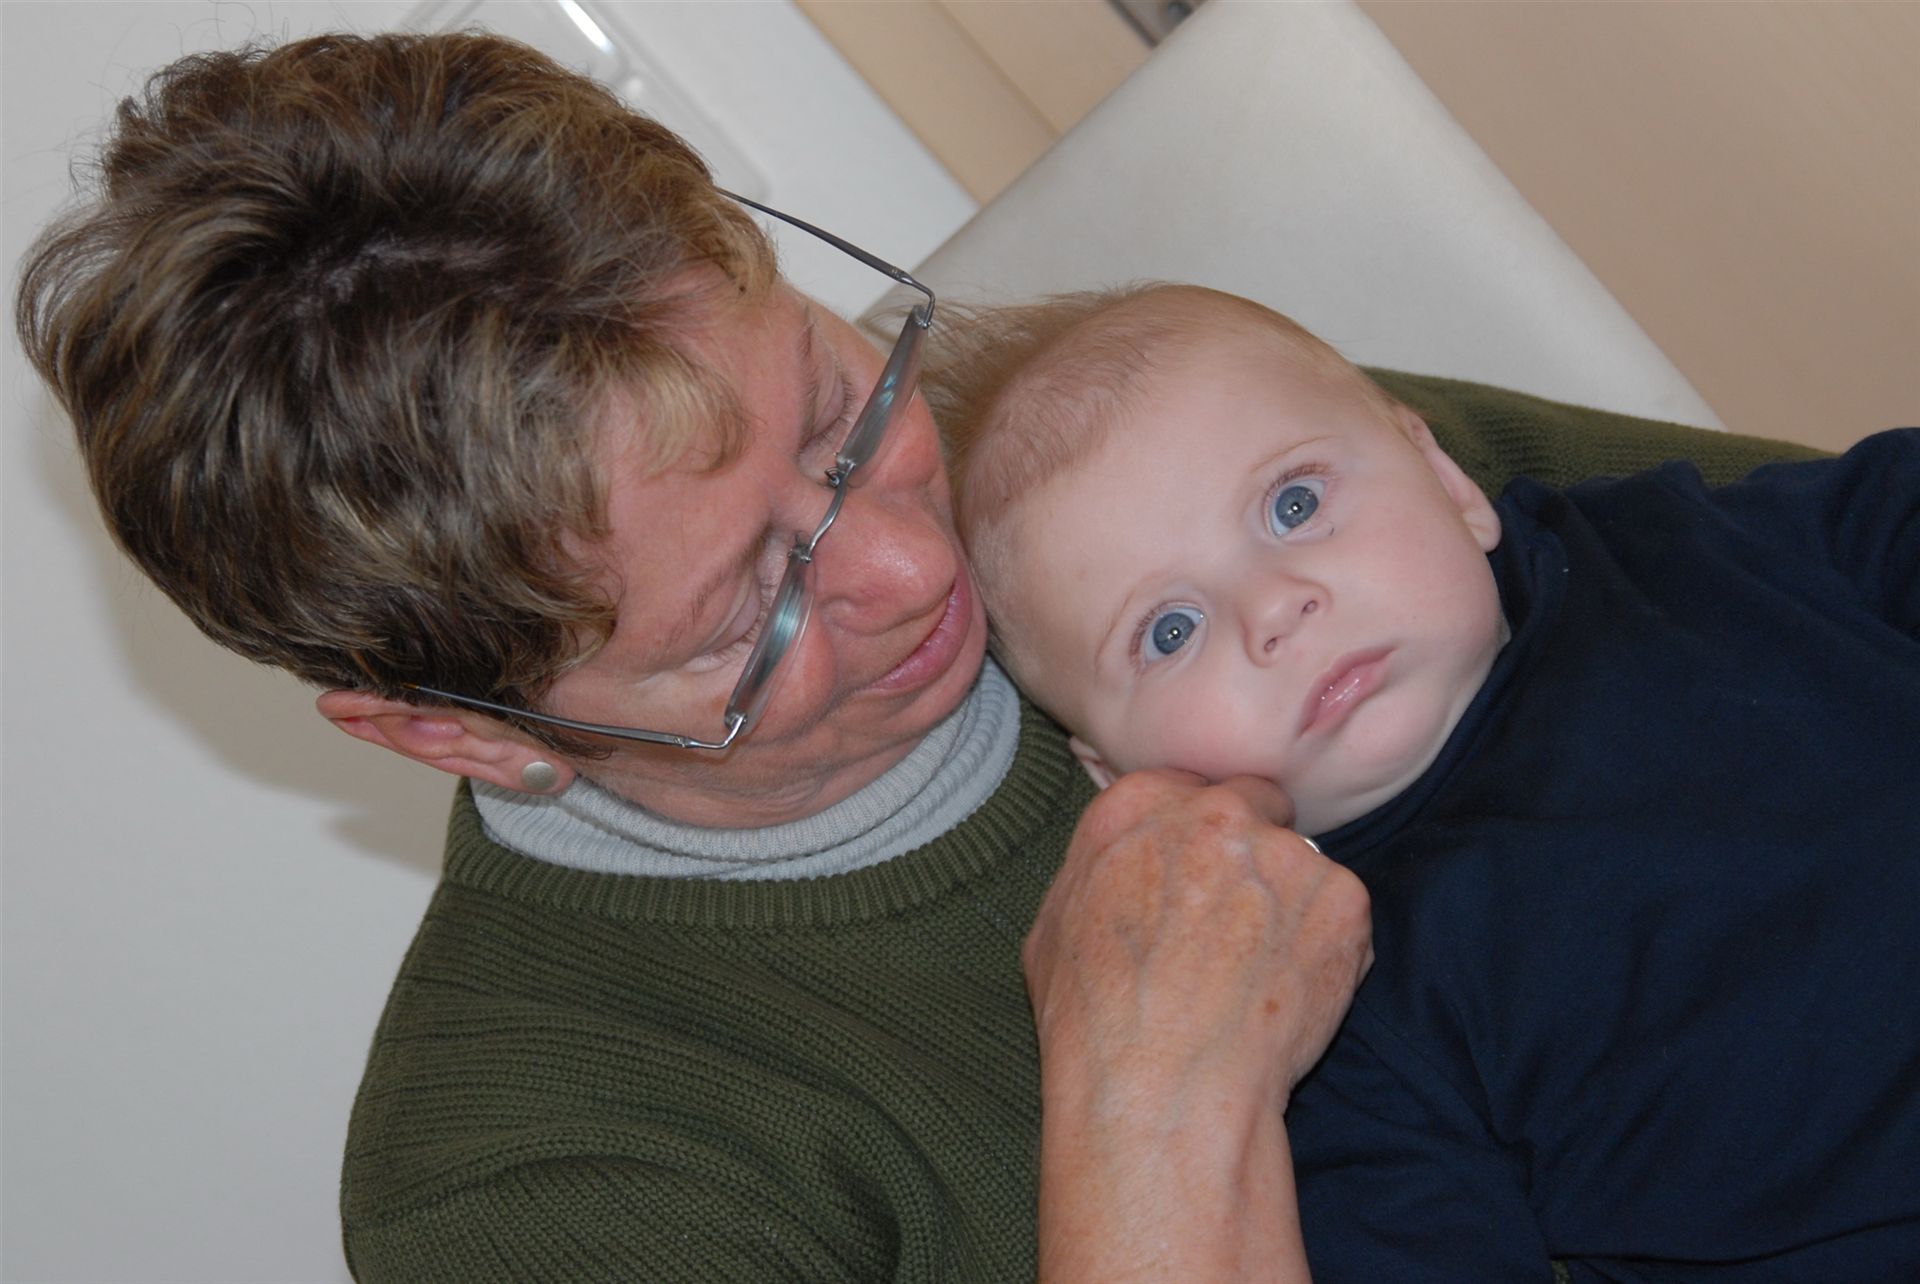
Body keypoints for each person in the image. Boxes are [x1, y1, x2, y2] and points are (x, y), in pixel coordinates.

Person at [12, 32, 1811, 1283]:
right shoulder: (551, 1189)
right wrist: (1149, 1111)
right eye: (748, 615)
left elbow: (1822, 586)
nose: (908, 558)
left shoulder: (1138, 471)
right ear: (458, 734)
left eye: (838, 405)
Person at [925, 281, 1920, 1280]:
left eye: (1294, 505)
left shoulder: (1676, 548)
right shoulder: (1328, 1008)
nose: (1274, 609)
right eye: (1170, 630)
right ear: (1125, 782)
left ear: (1448, 482)